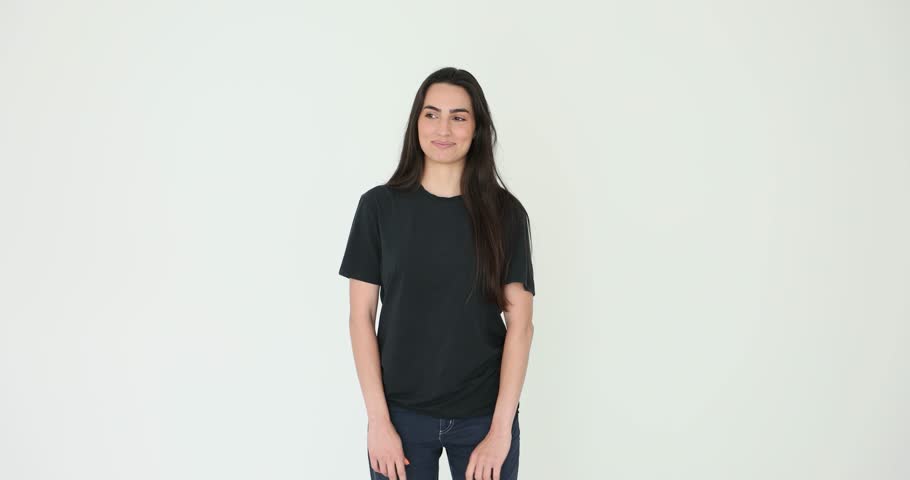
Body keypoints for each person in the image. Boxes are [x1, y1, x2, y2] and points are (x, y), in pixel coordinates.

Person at [339, 67, 536, 480]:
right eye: (431, 114)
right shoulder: (378, 208)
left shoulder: (506, 214)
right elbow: (361, 317)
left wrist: (501, 430)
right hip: (399, 418)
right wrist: (378, 422)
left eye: (458, 117)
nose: (443, 128)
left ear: (477, 128)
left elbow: (520, 324)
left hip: (483, 418)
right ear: (417, 123)